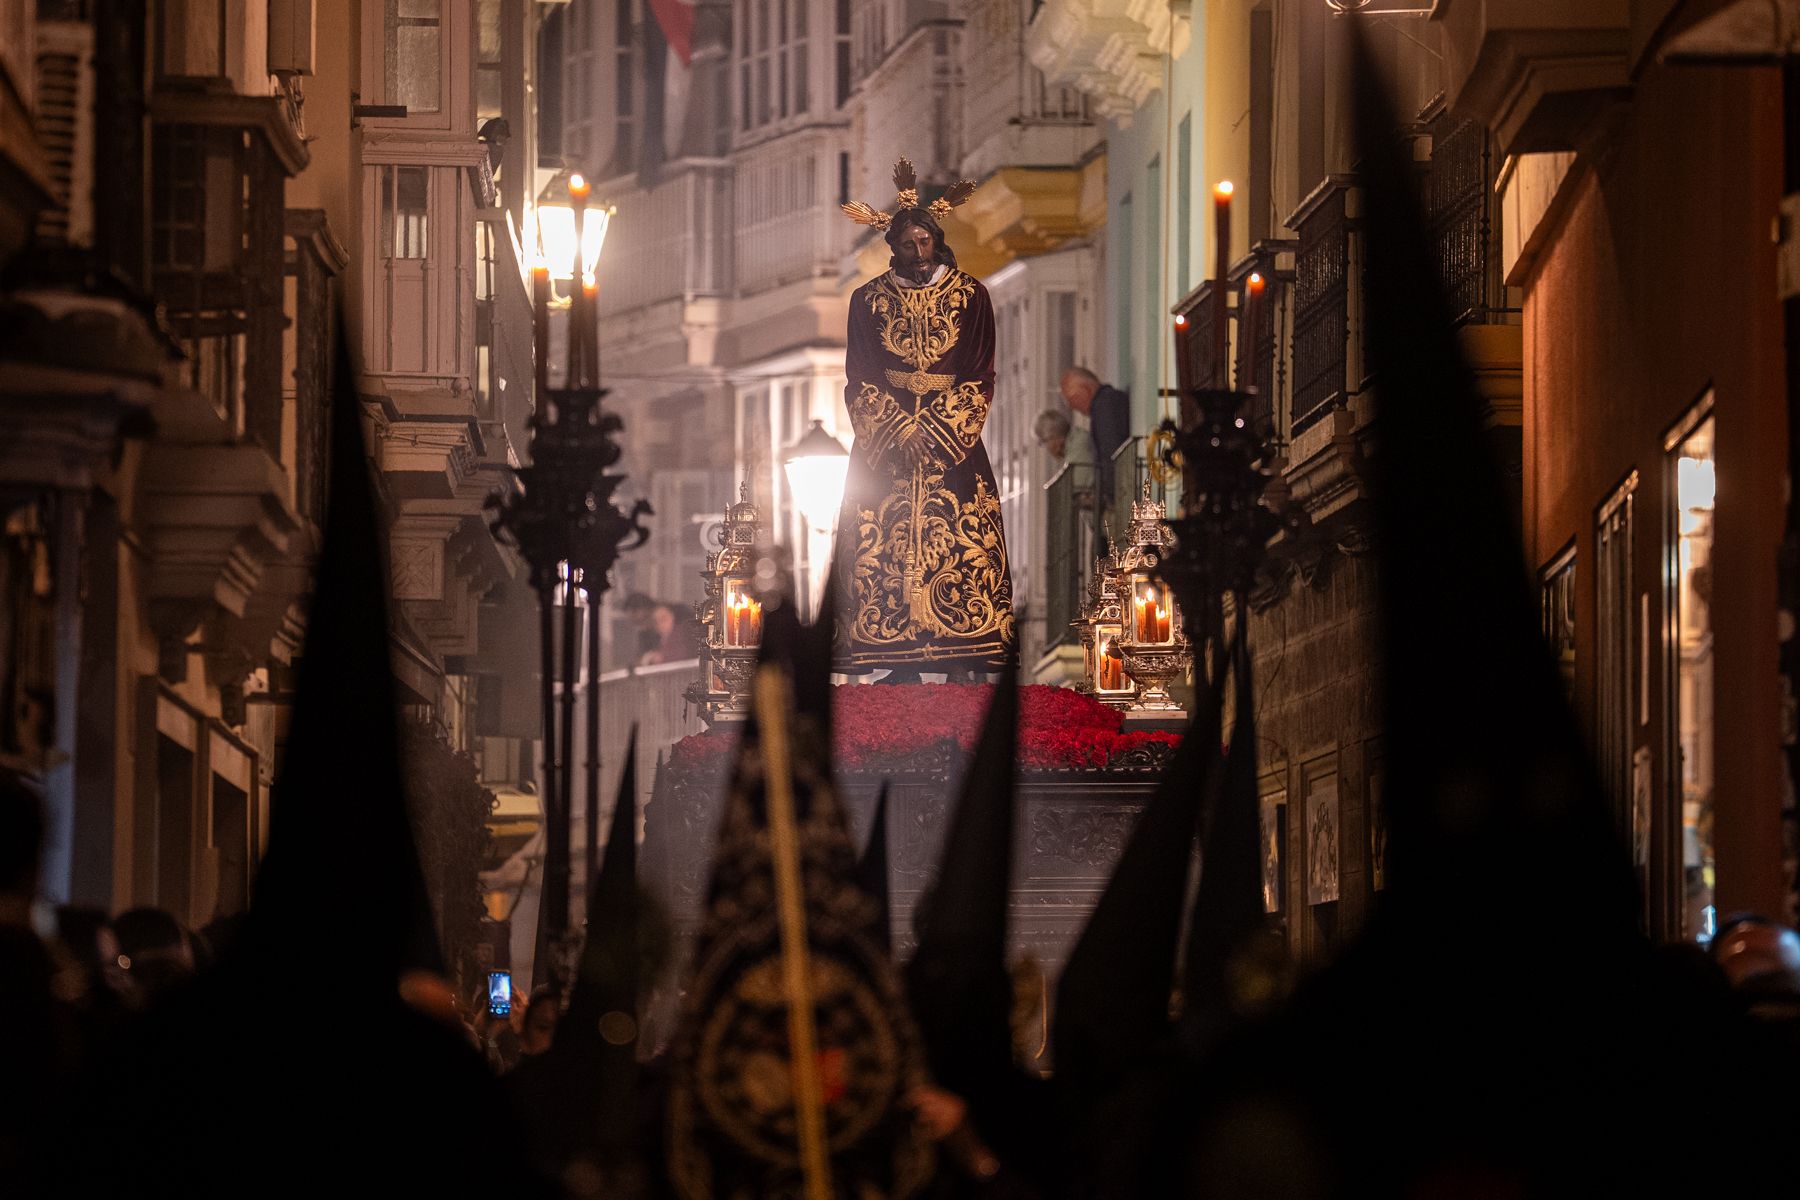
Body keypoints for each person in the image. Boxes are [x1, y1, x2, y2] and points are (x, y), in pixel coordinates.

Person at [835, 158, 1016, 683]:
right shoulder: (867, 300)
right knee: (881, 543)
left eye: (925, 242)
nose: (919, 253)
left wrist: (936, 432)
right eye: (909, 245)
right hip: (887, 451)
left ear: (937, 241)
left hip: (951, 449)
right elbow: (860, 376)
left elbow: (980, 374)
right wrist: (897, 431)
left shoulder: (971, 296)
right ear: (893, 246)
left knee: (961, 541)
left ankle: (962, 656)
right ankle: (898, 661)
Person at [1059, 367, 1130, 502]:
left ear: (1086, 389)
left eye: (1072, 398)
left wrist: (1107, 496)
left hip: (1121, 493)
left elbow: (1111, 451)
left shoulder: (1105, 405)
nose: (1071, 406)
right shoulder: (1105, 404)